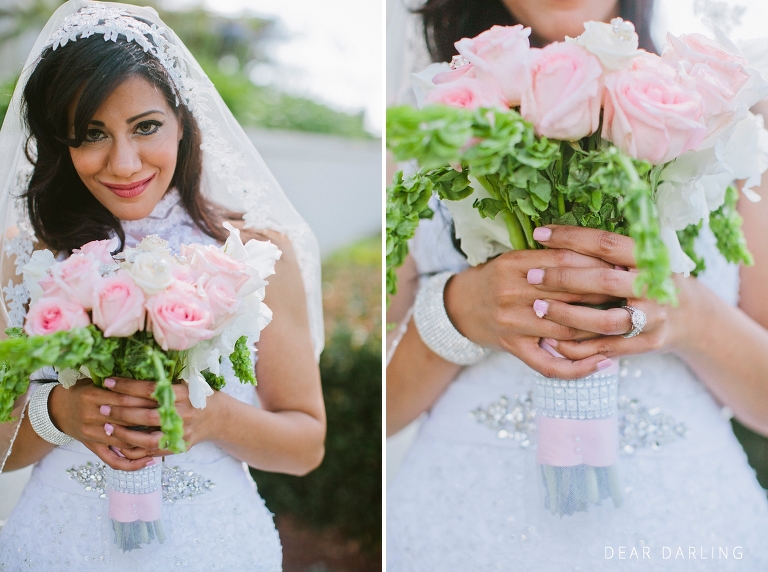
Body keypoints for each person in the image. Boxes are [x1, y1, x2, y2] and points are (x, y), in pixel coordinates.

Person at [386, 0, 768, 569]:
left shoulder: (723, 116)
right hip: (463, 524)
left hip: (685, 525)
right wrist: (458, 313)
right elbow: (379, 410)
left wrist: (689, 314)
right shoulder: (424, 125)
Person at [0, 1, 326, 569]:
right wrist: (59, 414)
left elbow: (305, 447)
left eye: (145, 127)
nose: (124, 163)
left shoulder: (253, 253)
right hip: (58, 546)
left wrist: (213, 417)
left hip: (214, 549)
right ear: (61, 143)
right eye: (91, 134)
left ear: (182, 121)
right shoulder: (25, 256)